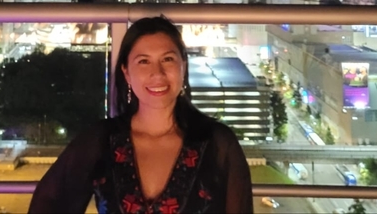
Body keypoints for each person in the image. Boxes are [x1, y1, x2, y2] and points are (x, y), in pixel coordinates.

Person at [28, 16, 254, 213]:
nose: (158, 73)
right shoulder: (101, 141)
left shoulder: (218, 145)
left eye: (168, 59)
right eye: (143, 61)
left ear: (183, 67)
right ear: (126, 72)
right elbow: (49, 201)